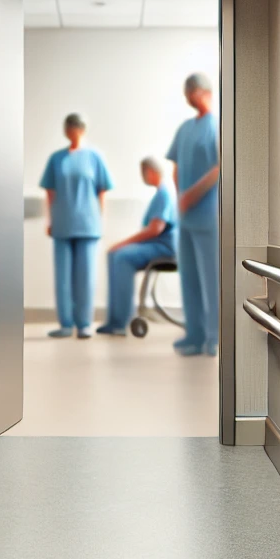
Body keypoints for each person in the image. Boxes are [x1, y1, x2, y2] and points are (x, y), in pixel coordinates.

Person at [40, 113, 113, 339]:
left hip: (88, 225)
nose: (72, 131)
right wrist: (50, 220)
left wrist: (99, 219)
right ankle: (65, 324)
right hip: (62, 223)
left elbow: (102, 191)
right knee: (62, 277)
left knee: (85, 277)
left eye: (76, 127)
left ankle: (84, 324)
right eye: (68, 127)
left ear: (82, 130)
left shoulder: (94, 157)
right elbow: (50, 192)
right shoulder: (56, 159)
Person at [166, 73, 220, 357]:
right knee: (189, 277)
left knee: (211, 277)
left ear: (201, 92)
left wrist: (192, 194)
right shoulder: (185, 128)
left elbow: (219, 168)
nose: (187, 98)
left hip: (207, 215)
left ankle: (214, 337)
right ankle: (194, 335)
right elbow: (175, 165)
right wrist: (180, 196)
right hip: (185, 216)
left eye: (190, 92)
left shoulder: (218, 126)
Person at [96, 158, 178, 336]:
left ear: (150, 171)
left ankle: (120, 322)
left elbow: (156, 229)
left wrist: (122, 243)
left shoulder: (164, 194)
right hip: (158, 245)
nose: (143, 177)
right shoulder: (161, 194)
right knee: (114, 255)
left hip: (165, 248)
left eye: (143, 173)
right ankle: (114, 320)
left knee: (121, 256)